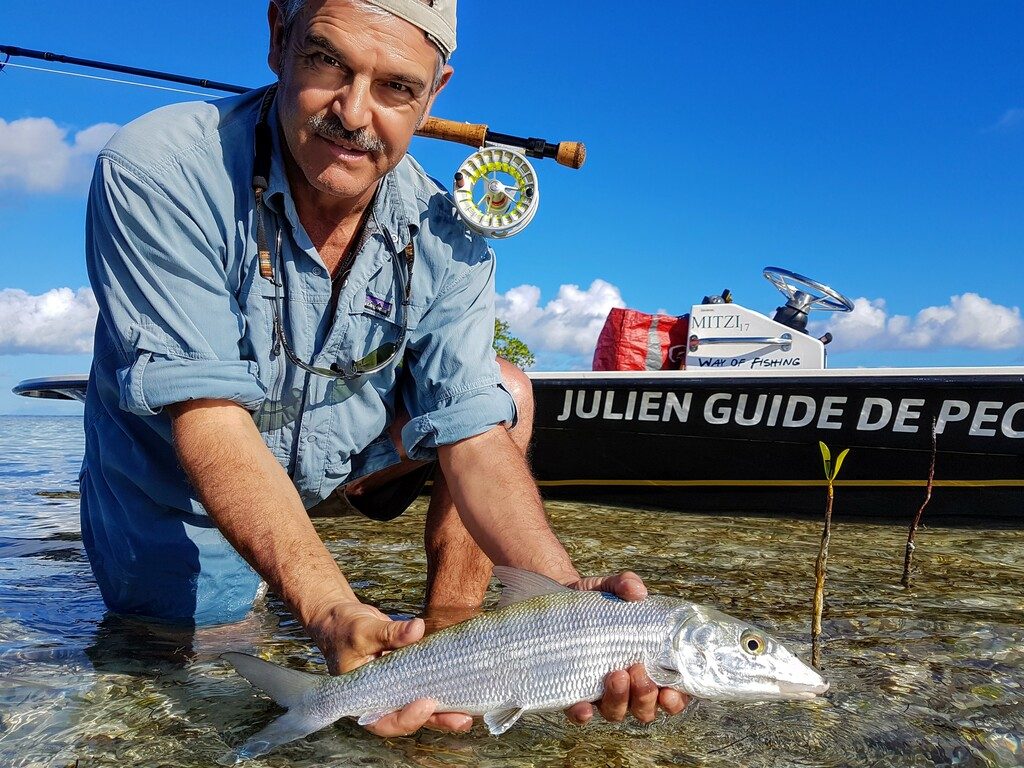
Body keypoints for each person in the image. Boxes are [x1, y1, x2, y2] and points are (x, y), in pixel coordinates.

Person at [82, 0, 688, 736]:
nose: (355, 112)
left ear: (435, 93)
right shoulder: (159, 168)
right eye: (328, 62)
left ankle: (442, 658)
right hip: (183, 480)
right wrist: (330, 609)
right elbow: (208, 418)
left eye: (397, 87)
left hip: (348, 456)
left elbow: (468, 425)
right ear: (278, 38)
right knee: (193, 666)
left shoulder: (445, 229)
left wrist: (565, 603)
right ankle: (315, 637)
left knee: (506, 392)